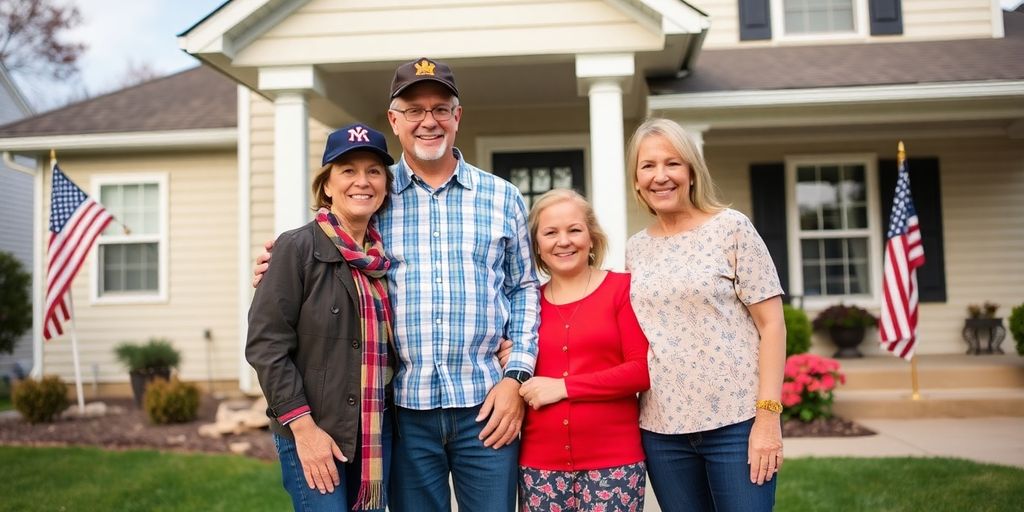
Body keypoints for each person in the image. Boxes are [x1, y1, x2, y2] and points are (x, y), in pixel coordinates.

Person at [253, 58, 539, 512]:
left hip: (486, 405)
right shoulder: (375, 197)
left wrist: (516, 376)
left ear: (457, 116)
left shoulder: (502, 197)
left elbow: (524, 287)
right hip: (403, 410)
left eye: (441, 108)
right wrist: (278, 260)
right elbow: (327, 247)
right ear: (395, 120)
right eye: (414, 110)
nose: (429, 121)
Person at [624, 118, 786, 512]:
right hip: (662, 432)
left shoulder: (732, 229)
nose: (661, 176)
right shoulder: (636, 249)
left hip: (736, 423)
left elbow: (773, 325)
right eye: (648, 166)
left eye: (672, 163)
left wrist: (767, 418)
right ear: (637, 181)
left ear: (692, 172)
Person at [246, 123, 396, 512]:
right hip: (313, 431)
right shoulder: (295, 249)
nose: (362, 182)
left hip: (375, 435)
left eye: (373, 171)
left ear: (385, 184)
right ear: (326, 185)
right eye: (347, 170)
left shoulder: (385, 259)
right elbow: (266, 345)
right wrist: (304, 429)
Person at [516, 189, 650, 512]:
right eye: (550, 233)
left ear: (591, 238)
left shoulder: (621, 289)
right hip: (540, 465)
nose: (564, 241)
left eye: (574, 230)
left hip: (614, 463)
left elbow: (640, 370)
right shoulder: (526, 302)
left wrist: (562, 387)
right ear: (537, 245)